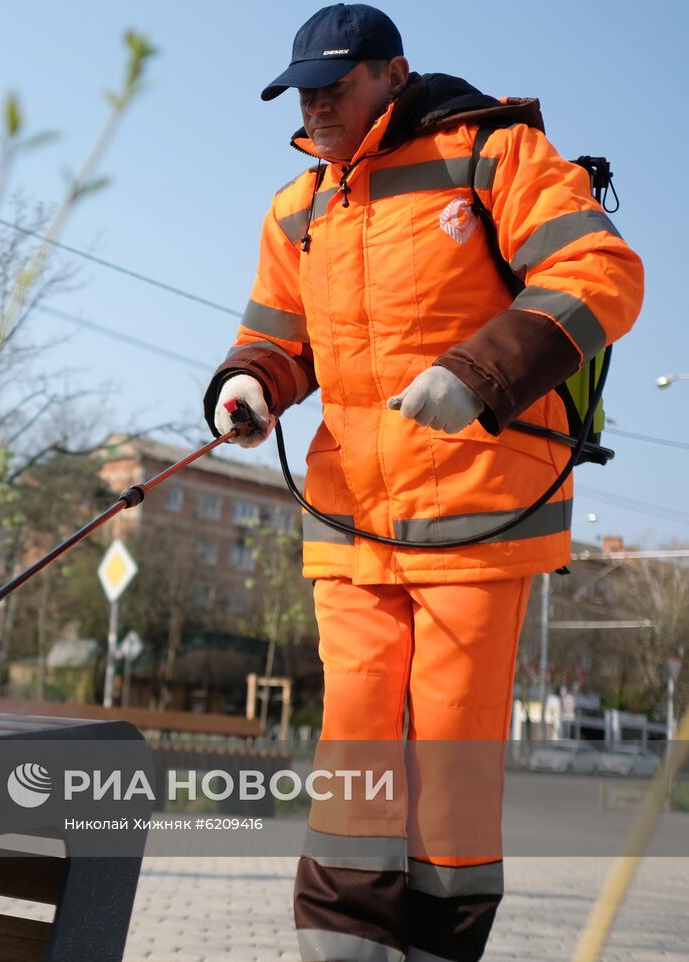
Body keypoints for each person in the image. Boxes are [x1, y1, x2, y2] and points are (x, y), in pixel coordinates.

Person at [203, 4, 643, 960]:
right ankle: (343, 944)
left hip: (479, 510)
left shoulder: (493, 152)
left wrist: (480, 374)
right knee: (356, 729)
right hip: (351, 514)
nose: (316, 104)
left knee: (448, 745)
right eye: (303, 91)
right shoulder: (298, 206)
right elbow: (279, 338)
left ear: (394, 74)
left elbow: (599, 269)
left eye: (336, 84)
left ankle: (442, 944)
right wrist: (249, 384)